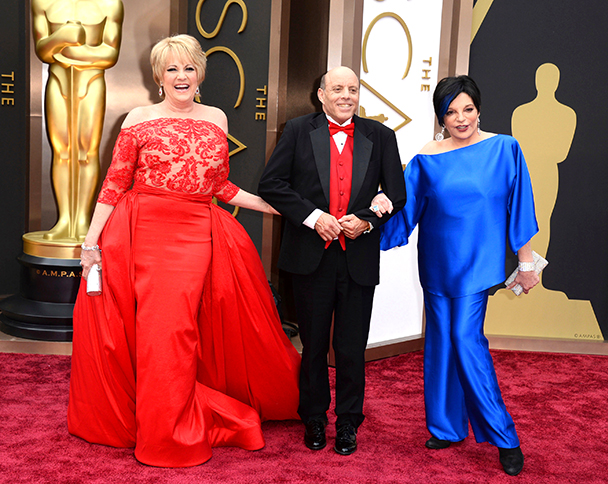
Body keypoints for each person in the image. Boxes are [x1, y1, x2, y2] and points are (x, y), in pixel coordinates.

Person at [67, 34, 301, 468]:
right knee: (163, 333)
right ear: (158, 76)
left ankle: (172, 415)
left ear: (200, 75)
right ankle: (165, 432)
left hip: (197, 232)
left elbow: (220, 186)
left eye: (188, 68)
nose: (181, 76)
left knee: (181, 331)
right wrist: (91, 242)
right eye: (171, 69)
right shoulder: (137, 117)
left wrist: (277, 206)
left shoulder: (217, 118)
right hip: (144, 233)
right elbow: (115, 184)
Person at [379, 75, 539, 476]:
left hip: (477, 264)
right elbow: (404, 209)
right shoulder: (427, 157)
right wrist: (368, 216)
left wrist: (526, 262)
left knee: (466, 340)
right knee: (441, 342)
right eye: (451, 111)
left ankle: (505, 436)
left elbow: (519, 208)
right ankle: (447, 427)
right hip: (436, 262)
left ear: (479, 109)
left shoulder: (504, 149)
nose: (460, 118)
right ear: (441, 116)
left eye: (467, 108)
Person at [258, 66, 406, 456]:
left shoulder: (381, 135)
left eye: (353, 89)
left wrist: (368, 220)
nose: (346, 95)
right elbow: (271, 185)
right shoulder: (295, 130)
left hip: (357, 257)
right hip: (310, 257)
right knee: (314, 342)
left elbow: (396, 193)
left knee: (352, 346)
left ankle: (348, 422)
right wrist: (313, 217)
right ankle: (314, 417)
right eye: (337, 88)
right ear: (320, 93)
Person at [31, 0, 124, 241]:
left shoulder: (110, 4)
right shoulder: (42, 2)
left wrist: (70, 50)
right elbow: (42, 50)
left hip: (91, 83)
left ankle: (82, 220)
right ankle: (64, 221)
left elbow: (110, 53)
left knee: (86, 151)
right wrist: (61, 36)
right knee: (61, 151)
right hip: (58, 82)